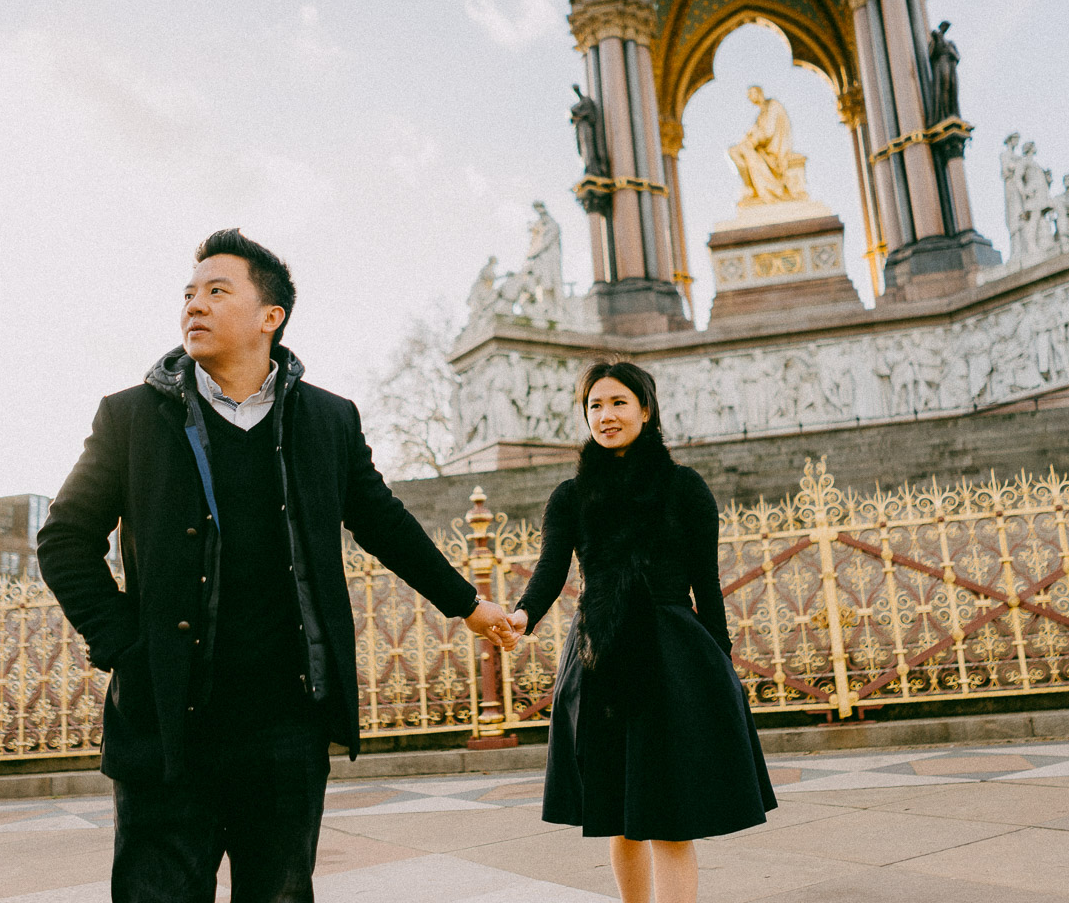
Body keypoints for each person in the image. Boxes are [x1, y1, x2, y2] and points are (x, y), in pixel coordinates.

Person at [38, 229, 517, 903]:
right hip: (169, 720)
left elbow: (384, 523)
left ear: (271, 316)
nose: (193, 306)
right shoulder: (131, 418)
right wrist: (126, 643)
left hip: (286, 724)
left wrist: (469, 604)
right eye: (188, 293)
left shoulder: (327, 420)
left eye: (216, 291)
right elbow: (63, 538)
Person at [505, 360, 776, 903]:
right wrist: (521, 616)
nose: (606, 416)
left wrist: (720, 662)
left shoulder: (684, 488)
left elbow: (708, 582)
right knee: (617, 813)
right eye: (595, 406)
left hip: (673, 660)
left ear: (646, 410)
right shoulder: (569, 495)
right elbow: (550, 571)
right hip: (598, 657)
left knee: (671, 816)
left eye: (618, 403)